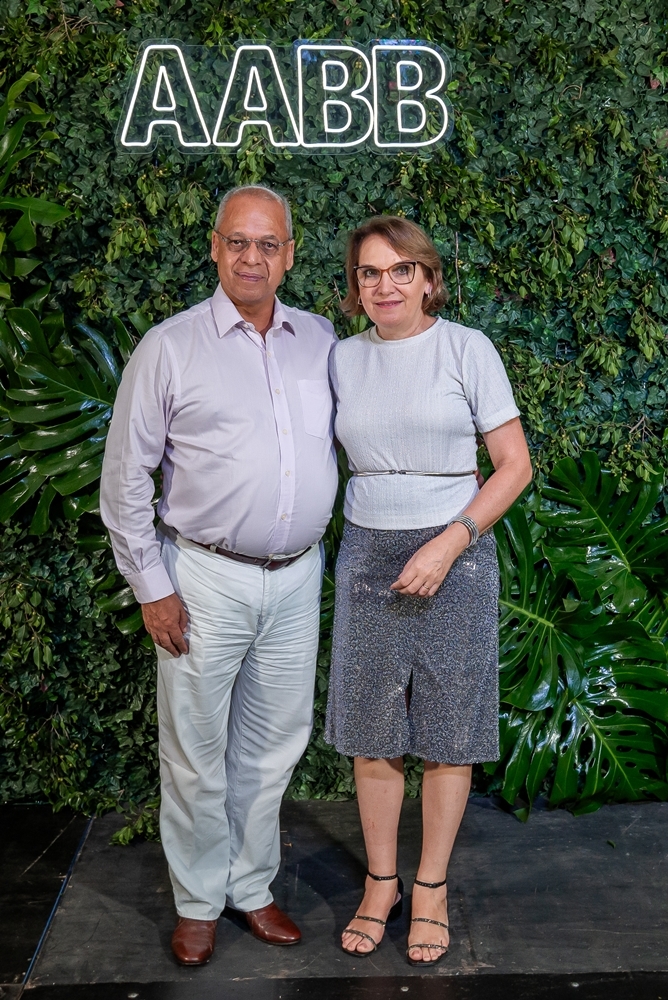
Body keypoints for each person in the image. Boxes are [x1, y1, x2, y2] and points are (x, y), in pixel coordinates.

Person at [100, 184, 338, 966]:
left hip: (296, 579)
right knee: (196, 750)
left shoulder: (320, 340)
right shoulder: (169, 347)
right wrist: (152, 587)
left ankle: (251, 886)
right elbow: (124, 477)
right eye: (239, 241)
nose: (252, 258)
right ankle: (198, 902)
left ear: (289, 255)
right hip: (202, 578)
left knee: (273, 746)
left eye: (268, 244)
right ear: (214, 247)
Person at [325, 216, 532, 967]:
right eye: (369, 273)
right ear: (355, 287)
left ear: (427, 278)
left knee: (450, 728)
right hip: (367, 552)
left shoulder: (467, 348)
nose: (385, 285)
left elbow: (514, 465)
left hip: (457, 552)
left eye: (400, 270)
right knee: (371, 727)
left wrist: (450, 541)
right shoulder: (341, 358)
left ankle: (432, 887)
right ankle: (381, 883)